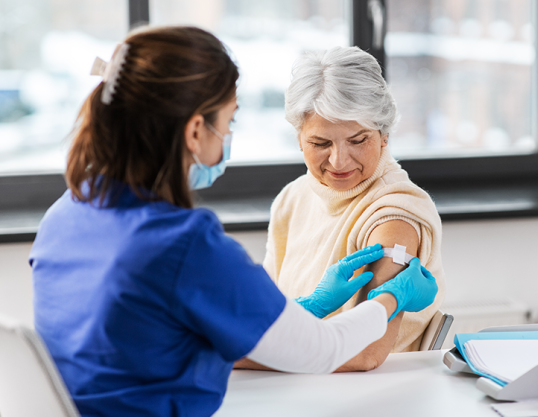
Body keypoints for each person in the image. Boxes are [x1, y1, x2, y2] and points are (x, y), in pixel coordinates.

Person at [28, 27, 438, 417]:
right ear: (194, 132)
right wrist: (392, 297)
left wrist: (305, 309)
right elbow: (325, 349)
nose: (228, 135)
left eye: (357, 139)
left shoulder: (63, 215)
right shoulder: (183, 244)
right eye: (229, 120)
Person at [243, 46, 446, 372]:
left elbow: (366, 354)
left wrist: (239, 353)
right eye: (320, 143)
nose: (338, 161)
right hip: (298, 381)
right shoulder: (292, 198)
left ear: (384, 135)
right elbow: (264, 319)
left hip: (365, 394)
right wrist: (309, 310)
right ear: (298, 137)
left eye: (357, 140)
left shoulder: (394, 215)